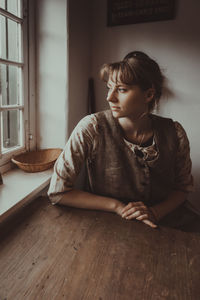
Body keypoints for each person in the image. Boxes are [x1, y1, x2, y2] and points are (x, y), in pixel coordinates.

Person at [48, 51, 199, 230]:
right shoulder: (91, 128)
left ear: (149, 95)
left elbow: (183, 188)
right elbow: (58, 192)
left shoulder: (175, 132)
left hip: (167, 223)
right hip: (108, 224)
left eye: (121, 89)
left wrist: (155, 212)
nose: (109, 97)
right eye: (109, 88)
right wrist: (117, 206)